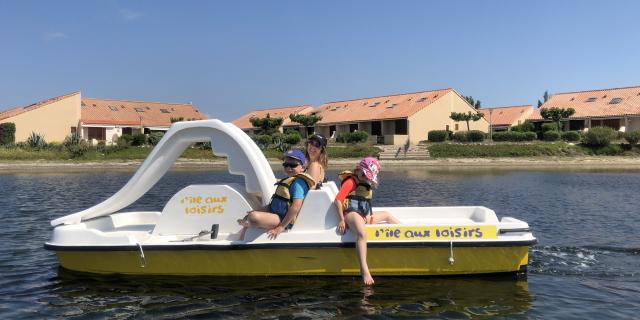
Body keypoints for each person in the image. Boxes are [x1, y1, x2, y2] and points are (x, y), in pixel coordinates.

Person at [334, 157, 400, 286]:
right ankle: (364, 269)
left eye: (367, 176)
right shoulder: (351, 182)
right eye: (364, 175)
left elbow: (364, 202)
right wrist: (341, 220)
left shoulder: (364, 182)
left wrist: (368, 217)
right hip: (351, 214)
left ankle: (406, 232)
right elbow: (337, 200)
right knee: (362, 234)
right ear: (358, 169)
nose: (365, 178)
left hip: (363, 215)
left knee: (387, 215)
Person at [237, 149, 315, 240]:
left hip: (283, 219)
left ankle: (247, 229)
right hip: (276, 214)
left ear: (303, 167)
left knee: (253, 217)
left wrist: (281, 227)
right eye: (286, 165)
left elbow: (296, 206)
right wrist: (259, 210)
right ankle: (241, 241)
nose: (289, 168)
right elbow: (276, 203)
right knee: (250, 215)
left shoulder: (298, 183)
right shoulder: (290, 181)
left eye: (293, 165)